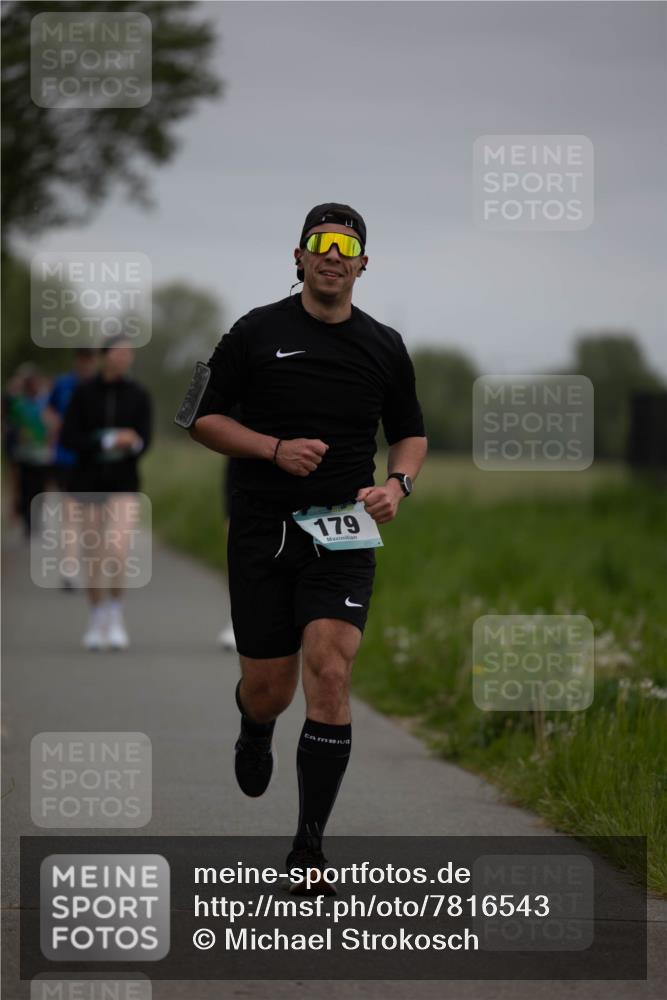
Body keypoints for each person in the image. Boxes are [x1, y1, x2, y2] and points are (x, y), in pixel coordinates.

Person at [185, 203, 427, 894]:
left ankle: (309, 849)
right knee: (270, 691)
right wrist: (271, 448)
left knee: (330, 668)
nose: (331, 254)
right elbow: (195, 416)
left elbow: (410, 432)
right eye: (319, 243)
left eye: (345, 246)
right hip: (263, 528)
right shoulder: (255, 332)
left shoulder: (384, 344)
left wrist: (398, 484)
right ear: (298, 256)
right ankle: (253, 726)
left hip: (343, 533)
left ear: (361, 264)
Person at [61, 336, 152, 651]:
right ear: (105, 356)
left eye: (130, 352)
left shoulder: (138, 394)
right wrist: (106, 442)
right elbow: (68, 438)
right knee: (94, 555)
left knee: (117, 549)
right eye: (120, 351)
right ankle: (96, 617)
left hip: (124, 484)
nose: (126, 357)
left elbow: (146, 440)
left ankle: (116, 615)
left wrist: (133, 442)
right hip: (87, 483)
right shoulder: (83, 393)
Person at [44, 349, 99, 590]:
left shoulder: (100, 387)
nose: (86, 363)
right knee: (71, 513)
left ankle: (90, 566)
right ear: (77, 360)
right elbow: (47, 410)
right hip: (67, 458)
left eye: (90, 359)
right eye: (83, 358)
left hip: (94, 461)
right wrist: (56, 425)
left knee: (92, 519)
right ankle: (70, 568)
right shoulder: (63, 384)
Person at [4, 363, 53, 537]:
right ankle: (27, 522)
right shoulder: (18, 404)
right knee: (25, 488)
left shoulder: (45, 402)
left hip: (42, 455)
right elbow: (11, 425)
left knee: (39, 489)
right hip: (24, 454)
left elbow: (52, 424)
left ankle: (36, 519)